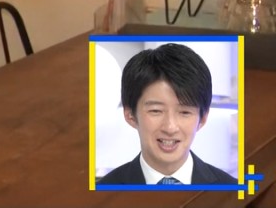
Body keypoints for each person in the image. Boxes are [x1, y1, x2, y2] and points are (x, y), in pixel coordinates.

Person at [98, 43, 237, 186]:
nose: (170, 127)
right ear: (130, 115)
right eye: (156, 111)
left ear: (202, 118)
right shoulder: (104, 189)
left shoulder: (232, 189)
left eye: (184, 112)